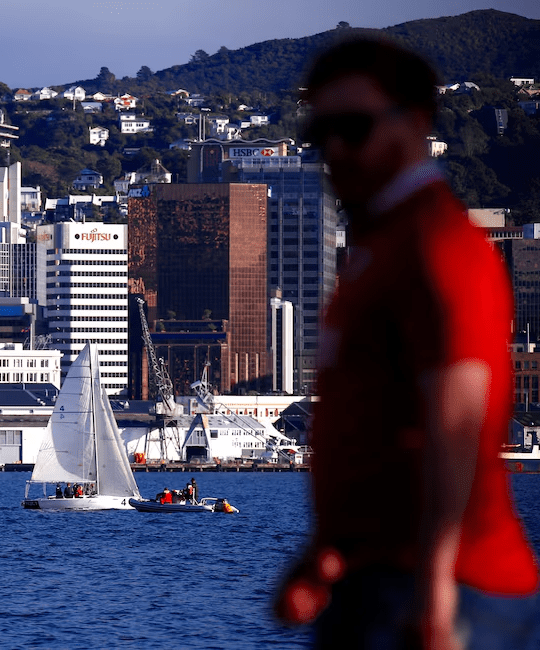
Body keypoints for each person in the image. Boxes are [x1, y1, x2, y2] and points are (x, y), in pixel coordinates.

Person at [273, 38, 539, 647]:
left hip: (447, 590)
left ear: (416, 123)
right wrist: (328, 550)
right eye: (322, 133)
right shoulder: (376, 252)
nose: (336, 149)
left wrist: (435, 595)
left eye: (355, 127)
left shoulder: (439, 248)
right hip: (376, 579)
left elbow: (456, 422)